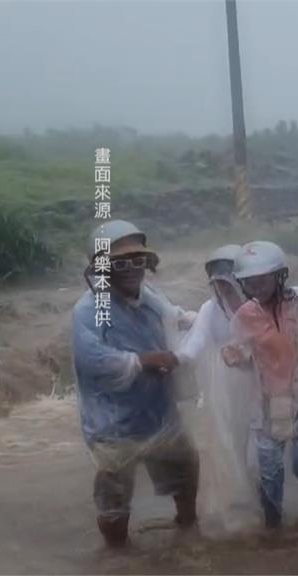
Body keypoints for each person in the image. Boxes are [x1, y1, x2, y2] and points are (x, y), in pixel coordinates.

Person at [71, 220, 199, 547]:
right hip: (112, 426)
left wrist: (202, 321)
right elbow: (94, 361)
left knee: (185, 473)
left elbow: (175, 317)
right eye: (121, 263)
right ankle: (117, 560)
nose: (132, 270)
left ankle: (188, 537)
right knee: (114, 501)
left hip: (159, 413)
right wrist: (146, 360)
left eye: (138, 261)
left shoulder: (150, 296)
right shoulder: (88, 310)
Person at [222, 241, 298, 529]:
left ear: (279, 275)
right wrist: (233, 356)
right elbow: (238, 351)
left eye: (262, 279)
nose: (256, 286)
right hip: (268, 403)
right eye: (249, 281)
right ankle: (274, 530)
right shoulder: (244, 316)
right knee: (269, 471)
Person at [176, 244, 260, 534]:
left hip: (260, 382)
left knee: (260, 444)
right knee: (229, 444)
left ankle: (265, 500)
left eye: (228, 284)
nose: (224, 291)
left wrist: (248, 351)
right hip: (225, 389)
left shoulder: (259, 305)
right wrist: (177, 361)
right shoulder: (211, 309)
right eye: (219, 286)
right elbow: (195, 342)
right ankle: (240, 505)